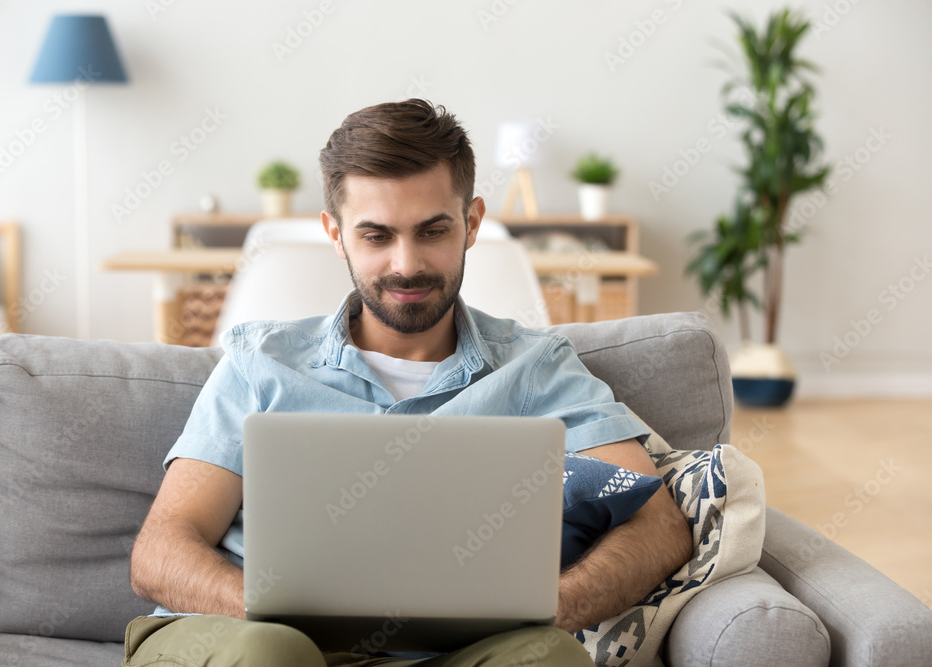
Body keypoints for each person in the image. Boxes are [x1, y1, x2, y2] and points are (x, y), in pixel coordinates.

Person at [125, 99, 692, 666]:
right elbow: (161, 551)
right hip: (245, 637)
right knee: (275, 652)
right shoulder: (260, 363)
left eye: (432, 231)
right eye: (376, 236)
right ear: (336, 233)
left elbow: (658, 527)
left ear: (471, 224)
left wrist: (545, 607)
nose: (406, 264)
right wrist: (286, 616)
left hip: (453, 651)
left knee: (546, 655)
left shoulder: (537, 368)